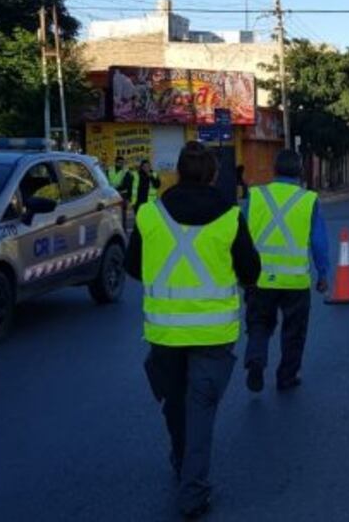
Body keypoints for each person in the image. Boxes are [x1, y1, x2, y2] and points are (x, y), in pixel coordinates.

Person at [125, 141, 261, 519]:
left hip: (165, 334)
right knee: (201, 409)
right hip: (213, 335)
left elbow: (133, 267)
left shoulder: (150, 214)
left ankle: (181, 458)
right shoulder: (230, 218)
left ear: (177, 173)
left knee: (175, 403)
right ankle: (194, 489)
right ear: (214, 175)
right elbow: (251, 271)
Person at [243, 150, 330, 393]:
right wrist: (323, 274)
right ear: (300, 171)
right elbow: (319, 242)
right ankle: (287, 376)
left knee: (259, 323)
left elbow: (241, 237)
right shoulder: (309, 200)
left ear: (274, 170)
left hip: (259, 278)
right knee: (294, 331)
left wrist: (241, 272)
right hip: (295, 281)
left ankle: (256, 358)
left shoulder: (256, 196)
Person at [105, 155, 133, 227]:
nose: (121, 164)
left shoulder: (126, 172)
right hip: (111, 195)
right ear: (116, 162)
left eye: (123, 163)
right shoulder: (109, 170)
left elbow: (128, 185)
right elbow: (105, 182)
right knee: (111, 214)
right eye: (120, 163)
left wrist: (129, 197)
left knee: (122, 214)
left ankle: (123, 229)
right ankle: (113, 229)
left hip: (122, 195)